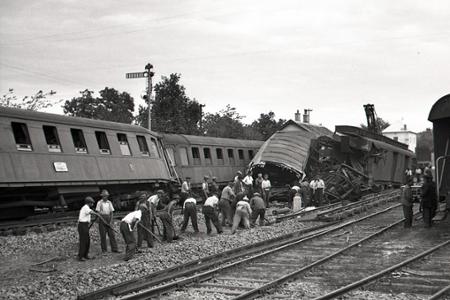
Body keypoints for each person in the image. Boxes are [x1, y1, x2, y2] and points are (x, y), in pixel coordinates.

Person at [95, 189, 119, 253]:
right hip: (102, 218)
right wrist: (102, 220)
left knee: (112, 235)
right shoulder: (99, 203)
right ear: (102, 196)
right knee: (103, 235)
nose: (105, 197)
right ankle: (104, 250)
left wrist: (111, 221)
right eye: (104, 196)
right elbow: (98, 213)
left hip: (108, 217)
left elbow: (111, 212)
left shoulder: (109, 202)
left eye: (106, 196)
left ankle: (114, 249)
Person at [77, 197, 95, 261]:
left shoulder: (87, 208)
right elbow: (90, 212)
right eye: (92, 203)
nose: (92, 204)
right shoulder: (85, 207)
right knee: (83, 241)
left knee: (87, 241)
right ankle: (80, 256)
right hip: (82, 225)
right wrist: (97, 214)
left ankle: (85, 255)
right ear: (89, 203)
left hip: (85, 225)